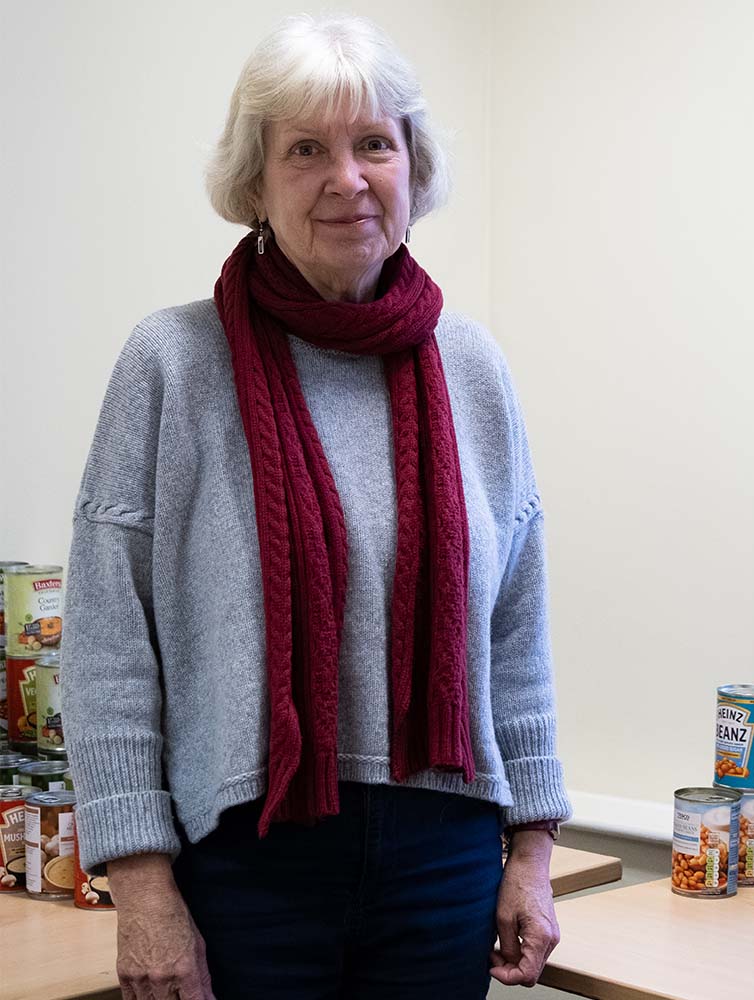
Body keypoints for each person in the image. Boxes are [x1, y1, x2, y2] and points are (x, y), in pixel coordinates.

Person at [62, 13, 571, 1000]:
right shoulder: (169, 363)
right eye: (306, 150)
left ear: (411, 166)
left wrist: (534, 852)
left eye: (374, 143)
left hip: (444, 860)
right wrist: (141, 888)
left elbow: (516, 635)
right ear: (253, 183)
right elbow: (107, 651)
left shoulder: (469, 367)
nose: (348, 178)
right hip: (245, 866)